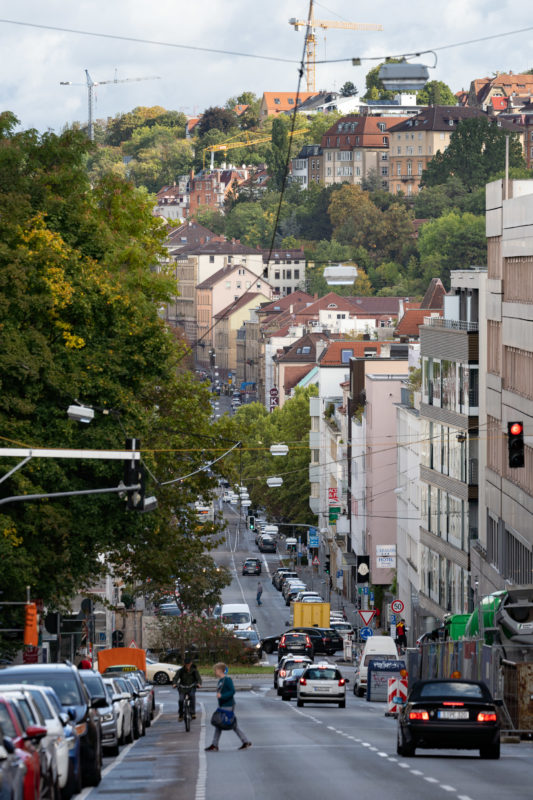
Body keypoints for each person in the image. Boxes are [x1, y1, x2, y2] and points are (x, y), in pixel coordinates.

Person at [205, 663, 251, 751]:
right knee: (224, 724)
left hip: (228, 705)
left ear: (219, 670)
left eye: (215, 670)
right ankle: (245, 741)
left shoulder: (227, 680)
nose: (214, 672)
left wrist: (222, 696)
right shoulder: (220, 681)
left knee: (225, 723)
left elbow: (232, 691)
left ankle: (215, 744)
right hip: (222, 705)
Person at [172, 655, 202, 720]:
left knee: (192, 697)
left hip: (191, 687)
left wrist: (199, 684)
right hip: (182, 687)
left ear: (191, 663)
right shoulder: (180, 671)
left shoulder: (194, 671)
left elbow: (198, 678)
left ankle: (193, 713)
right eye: (186, 665)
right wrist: (174, 683)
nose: (187, 666)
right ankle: (181, 714)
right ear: (184, 664)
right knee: (181, 700)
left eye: (189, 664)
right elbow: (175, 678)